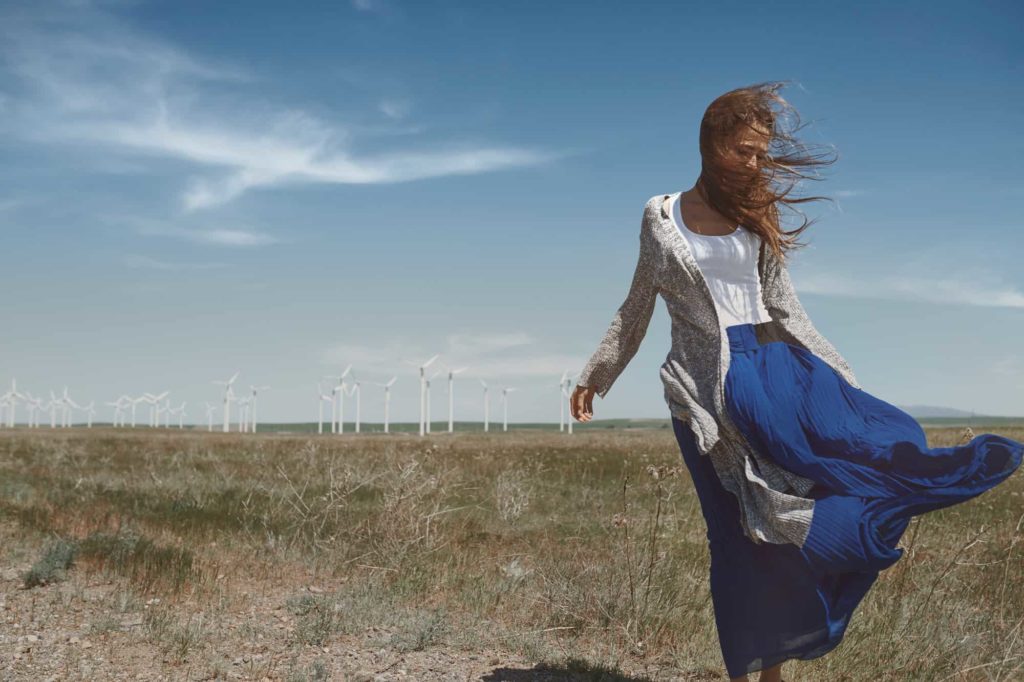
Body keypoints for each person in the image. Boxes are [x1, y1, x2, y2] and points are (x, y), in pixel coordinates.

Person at [568, 81, 1024, 682]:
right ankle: (753, 670)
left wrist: (842, 381)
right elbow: (636, 305)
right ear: (711, 145)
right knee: (732, 535)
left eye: (761, 152)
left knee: (842, 475)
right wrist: (597, 374)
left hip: (775, 374)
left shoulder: (759, 213)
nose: (755, 163)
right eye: (744, 150)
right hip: (705, 395)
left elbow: (786, 307)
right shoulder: (661, 216)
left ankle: (785, 653)